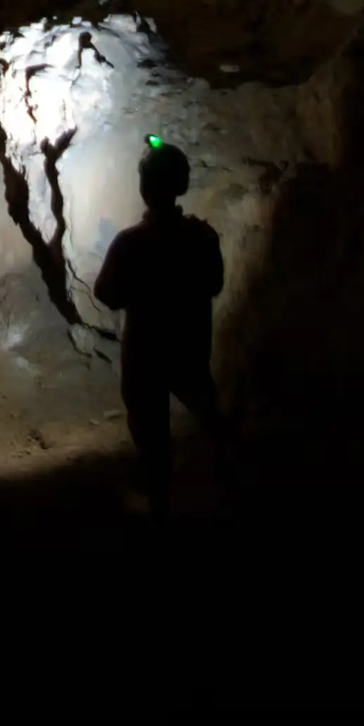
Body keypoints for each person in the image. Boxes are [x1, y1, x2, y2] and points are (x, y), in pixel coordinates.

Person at [93, 139, 224, 522]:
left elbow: (106, 293)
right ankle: (228, 484)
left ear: (144, 189)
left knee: (152, 435)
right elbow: (214, 284)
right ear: (181, 185)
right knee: (207, 411)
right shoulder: (202, 237)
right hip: (189, 348)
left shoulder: (130, 243)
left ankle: (160, 508)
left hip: (146, 354)